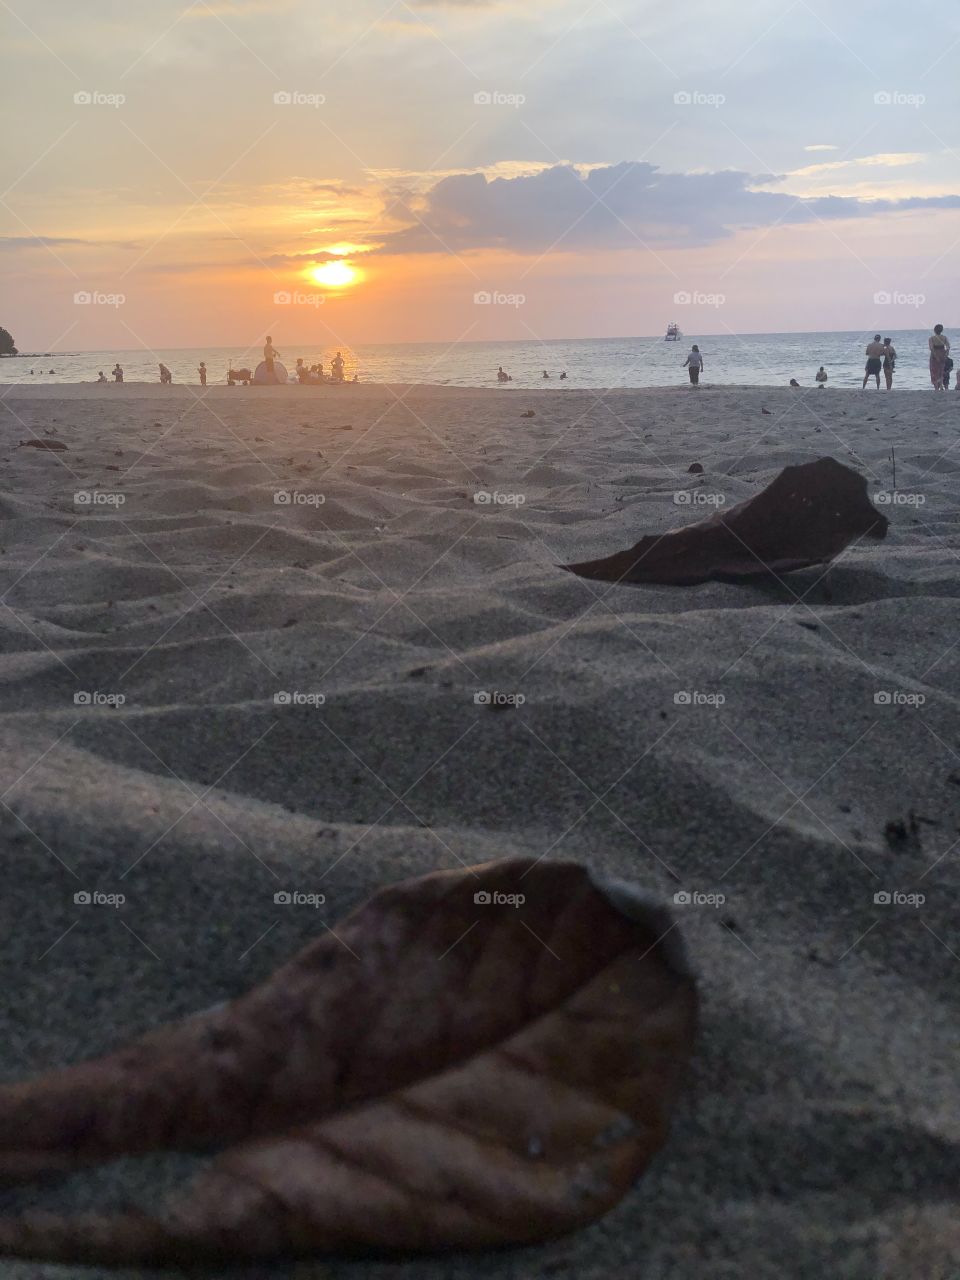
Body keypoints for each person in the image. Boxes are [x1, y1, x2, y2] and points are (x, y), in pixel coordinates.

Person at [929, 324, 950, 390]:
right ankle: (941, 385)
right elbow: (948, 347)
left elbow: (931, 348)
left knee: (934, 370)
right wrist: (946, 355)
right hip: (942, 353)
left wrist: (935, 356)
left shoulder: (931, 338)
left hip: (934, 355)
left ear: (934, 330)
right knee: (941, 370)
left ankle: (936, 387)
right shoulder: (944, 337)